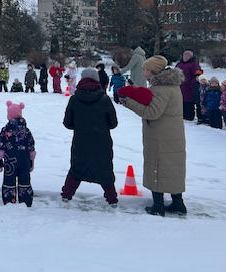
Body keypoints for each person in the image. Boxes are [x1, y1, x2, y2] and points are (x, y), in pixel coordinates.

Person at [120, 55, 187, 216]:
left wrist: (128, 102)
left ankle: (158, 206)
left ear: (153, 71)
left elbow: (152, 112)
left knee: (157, 166)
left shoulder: (161, 89)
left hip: (160, 136)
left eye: (145, 69)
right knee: (172, 167)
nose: (143, 72)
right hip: (172, 134)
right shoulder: (171, 85)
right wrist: (135, 89)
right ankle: (178, 202)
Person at [60, 69, 119, 208]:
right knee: (105, 170)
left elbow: (67, 123)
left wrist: (80, 127)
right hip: (102, 142)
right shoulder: (104, 99)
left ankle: (65, 198)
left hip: (81, 142)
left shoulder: (75, 99)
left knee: (77, 169)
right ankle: (112, 201)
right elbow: (113, 123)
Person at [0, 101, 35, 206]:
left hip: (10, 160)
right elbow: (31, 144)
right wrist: (32, 158)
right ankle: (26, 200)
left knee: (9, 178)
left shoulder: (5, 130)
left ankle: (9, 199)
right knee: (25, 178)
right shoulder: (26, 131)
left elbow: (1, 144)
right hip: (24, 159)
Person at [175, 49, 201, 121]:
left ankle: (189, 116)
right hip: (179, 85)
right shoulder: (179, 64)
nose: (185, 57)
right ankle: (182, 114)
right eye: (184, 55)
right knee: (181, 100)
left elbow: (198, 73)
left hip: (189, 86)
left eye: (188, 55)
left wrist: (194, 81)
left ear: (191, 57)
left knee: (189, 101)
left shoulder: (194, 64)